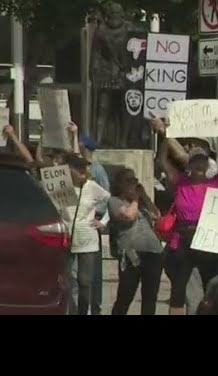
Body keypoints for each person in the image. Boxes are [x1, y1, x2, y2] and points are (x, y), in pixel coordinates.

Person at [153, 115, 218, 316]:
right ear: (189, 165)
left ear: (207, 165)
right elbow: (162, 161)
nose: (199, 165)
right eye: (195, 161)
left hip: (206, 239)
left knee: (211, 287)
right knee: (178, 290)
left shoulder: (215, 184)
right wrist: (164, 135)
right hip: (182, 240)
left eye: (203, 161)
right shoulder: (179, 182)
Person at [108, 168, 163, 315]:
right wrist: (136, 199)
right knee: (125, 296)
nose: (133, 184)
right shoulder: (115, 201)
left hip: (153, 252)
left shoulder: (140, 203)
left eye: (135, 180)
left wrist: (144, 196)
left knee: (150, 298)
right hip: (132, 254)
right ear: (120, 184)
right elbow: (128, 216)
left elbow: (157, 214)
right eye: (129, 181)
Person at [62, 153, 111, 315]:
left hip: (87, 239)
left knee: (84, 281)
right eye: (78, 167)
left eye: (85, 166)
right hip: (66, 238)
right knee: (65, 280)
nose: (83, 169)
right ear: (69, 169)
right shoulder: (61, 186)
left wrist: (102, 222)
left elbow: (112, 202)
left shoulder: (92, 187)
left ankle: (83, 312)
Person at [78, 134, 110, 316]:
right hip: (78, 227)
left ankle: (94, 308)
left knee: (92, 274)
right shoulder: (78, 168)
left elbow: (106, 198)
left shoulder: (97, 170)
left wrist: (101, 220)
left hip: (91, 225)